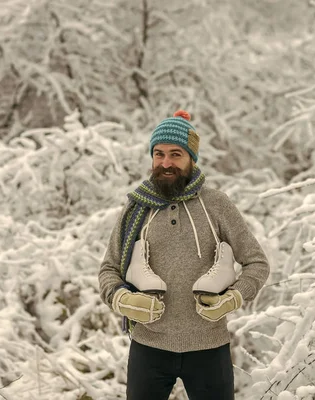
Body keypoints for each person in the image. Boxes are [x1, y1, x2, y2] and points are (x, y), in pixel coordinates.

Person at [98, 110, 270, 400]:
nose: (166, 163)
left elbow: (256, 263)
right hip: (148, 348)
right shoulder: (137, 207)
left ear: (192, 158)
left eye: (176, 154)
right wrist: (122, 299)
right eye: (159, 154)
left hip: (208, 349)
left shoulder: (217, 205)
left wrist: (233, 298)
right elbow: (109, 269)